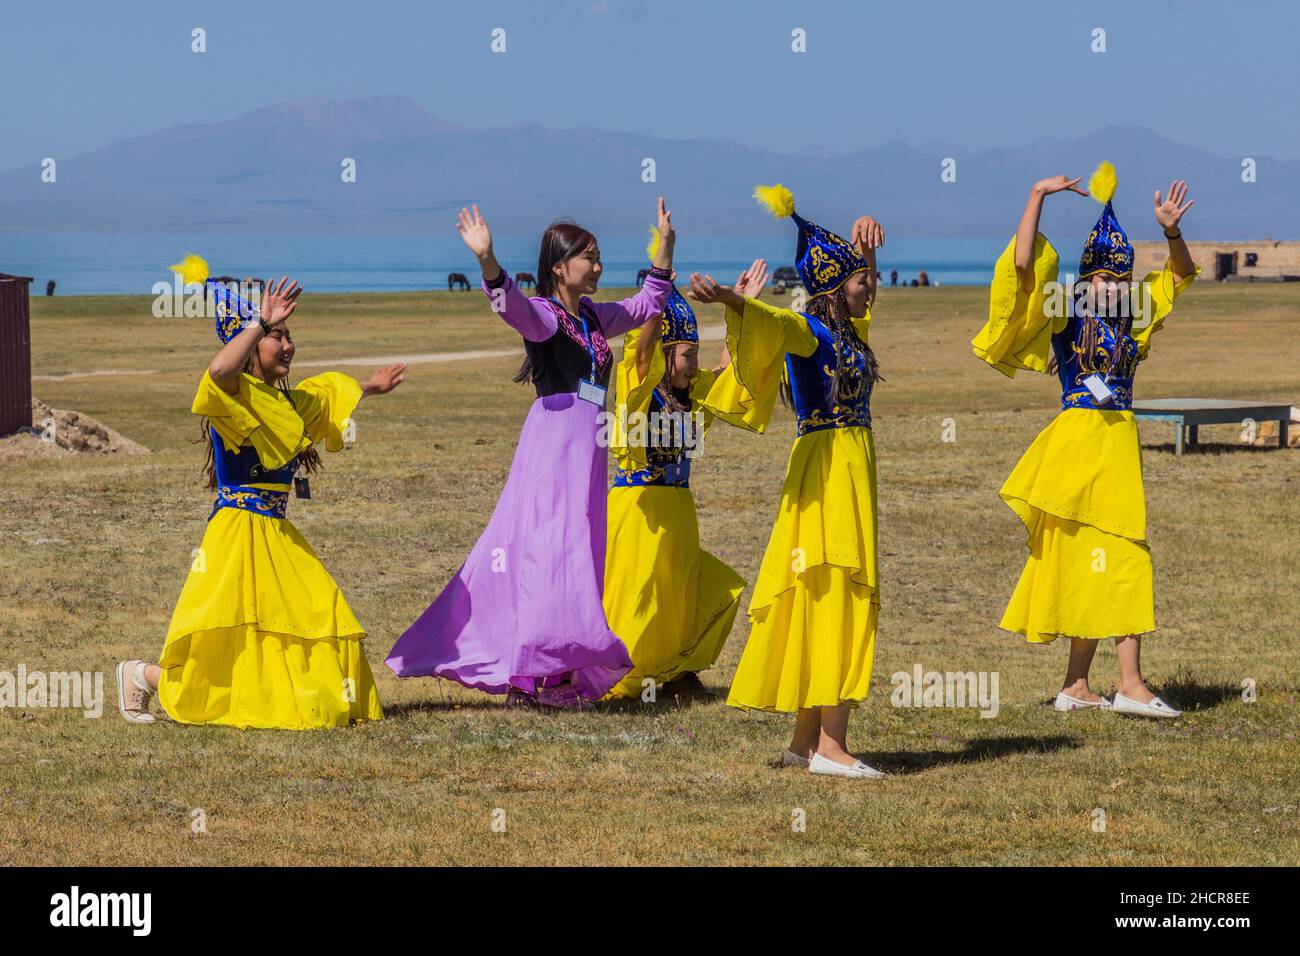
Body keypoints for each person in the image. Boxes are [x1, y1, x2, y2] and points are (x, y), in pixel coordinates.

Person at [386, 201, 676, 709]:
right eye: (589, 257)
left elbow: (645, 307)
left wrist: (665, 252)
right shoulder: (545, 318)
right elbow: (511, 306)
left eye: (600, 256)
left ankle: (557, 671)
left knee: (577, 556)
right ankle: (533, 675)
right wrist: (488, 262)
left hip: (589, 451)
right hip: (553, 448)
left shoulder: (592, 318)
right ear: (560, 267)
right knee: (547, 556)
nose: (599, 266)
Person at [117, 259, 405, 728]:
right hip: (234, 532)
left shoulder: (291, 403)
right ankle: (140, 675)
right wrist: (260, 321)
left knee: (311, 608)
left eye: (289, 335)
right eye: (278, 336)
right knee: (224, 629)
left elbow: (330, 395)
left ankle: (288, 699)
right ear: (250, 343)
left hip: (275, 528)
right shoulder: (231, 398)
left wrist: (370, 387)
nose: (288, 344)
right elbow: (219, 368)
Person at [971, 163, 1200, 717]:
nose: (1114, 288)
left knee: (1104, 556)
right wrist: (1036, 194)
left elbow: (1183, 274)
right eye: (1104, 278)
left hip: (1117, 443)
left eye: (1122, 280)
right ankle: (1130, 686)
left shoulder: (1135, 317)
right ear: (1085, 278)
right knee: (1119, 556)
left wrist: (1170, 231)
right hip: (1077, 446)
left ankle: (1077, 686)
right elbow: (1022, 266)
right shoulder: (1064, 315)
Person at [688, 184, 889, 779]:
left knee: (825, 594)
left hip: (849, 467)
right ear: (832, 291)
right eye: (858, 282)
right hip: (826, 471)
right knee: (835, 593)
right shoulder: (813, 332)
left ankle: (807, 743)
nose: (868, 288)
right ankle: (831, 745)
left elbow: (867, 291)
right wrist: (734, 301)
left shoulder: (852, 331)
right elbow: (778, 321)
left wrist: (867, 241)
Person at [601, 239, 769, 701]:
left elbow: (729, 370)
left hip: (679, 514)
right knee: (641, 606)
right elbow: (639, 354)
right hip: (640, 513)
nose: (695, 365)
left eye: (696, 354)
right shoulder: (637, 394)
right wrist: (657, 290)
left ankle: (674, 673)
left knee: (685, 598)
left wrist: (741, 307)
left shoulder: (691, 399)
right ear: (666, 354)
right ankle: (625, 678)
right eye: (687, 355)